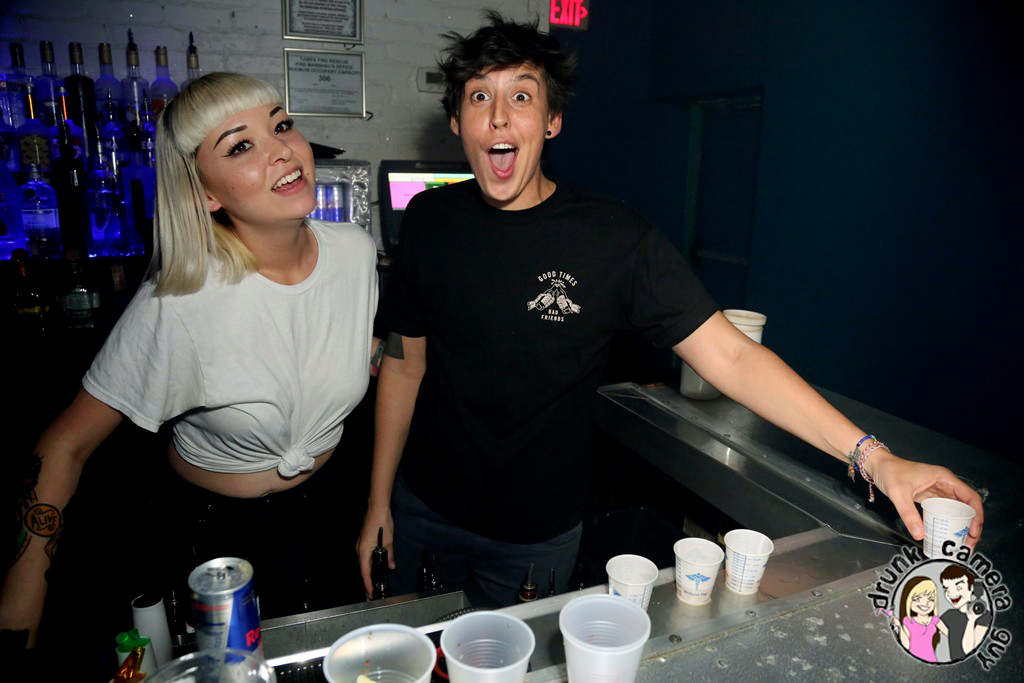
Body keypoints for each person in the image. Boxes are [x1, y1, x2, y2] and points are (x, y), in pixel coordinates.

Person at [356, 12, 985, 605]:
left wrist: (877, 459)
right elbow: (405, 366)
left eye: (521, 95)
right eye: (479, 97)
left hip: (535, 536)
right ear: (457, 121)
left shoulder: (614, 239)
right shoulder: (430, 221)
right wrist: (378, 501)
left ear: (552, 121)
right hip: (423, 510)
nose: (498, 117)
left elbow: (732, 356)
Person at [1, 72, 379, 648]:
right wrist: (17, 616)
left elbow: (329, 345)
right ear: (205, 194)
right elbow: (64, 445)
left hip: (334, 506)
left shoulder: (355, 253)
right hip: (217, 535)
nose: (281, 150)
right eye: (241, 146)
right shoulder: (178, 303)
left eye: (281, 125)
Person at [939, 565, 991, 660]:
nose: (951, 593)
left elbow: (969, 650)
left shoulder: (984, 616)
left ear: (971, 587)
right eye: (946, 589)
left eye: (958, 588)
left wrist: (971, 620)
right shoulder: (949, 615)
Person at [893, 576, 947, 662]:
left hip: (931, 659)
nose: (925, 603)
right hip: (913, 660)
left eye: (931, 599)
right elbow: (906, 645)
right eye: (917, 599)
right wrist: (898, 626)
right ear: (908, 600)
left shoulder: (935, 620)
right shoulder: (908, 621)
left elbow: (951, 635)